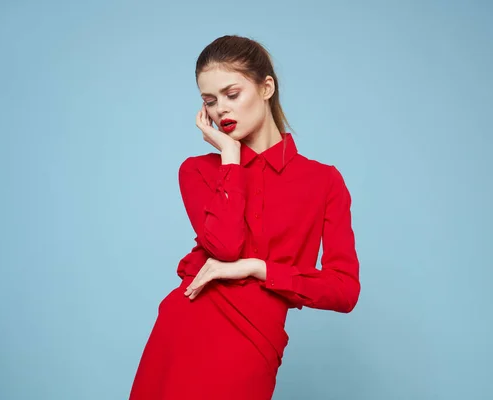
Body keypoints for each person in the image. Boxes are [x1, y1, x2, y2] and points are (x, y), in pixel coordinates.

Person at [129, 35, 360, 400]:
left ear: (266, 87)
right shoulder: (197, 171)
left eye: (231, 94)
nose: (222, 110)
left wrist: (257, 268)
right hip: (187, 327)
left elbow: (344, 291)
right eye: (210, 101)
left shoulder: (323, 181)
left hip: (254, 341)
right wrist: (230, 157)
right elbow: (224, 245)